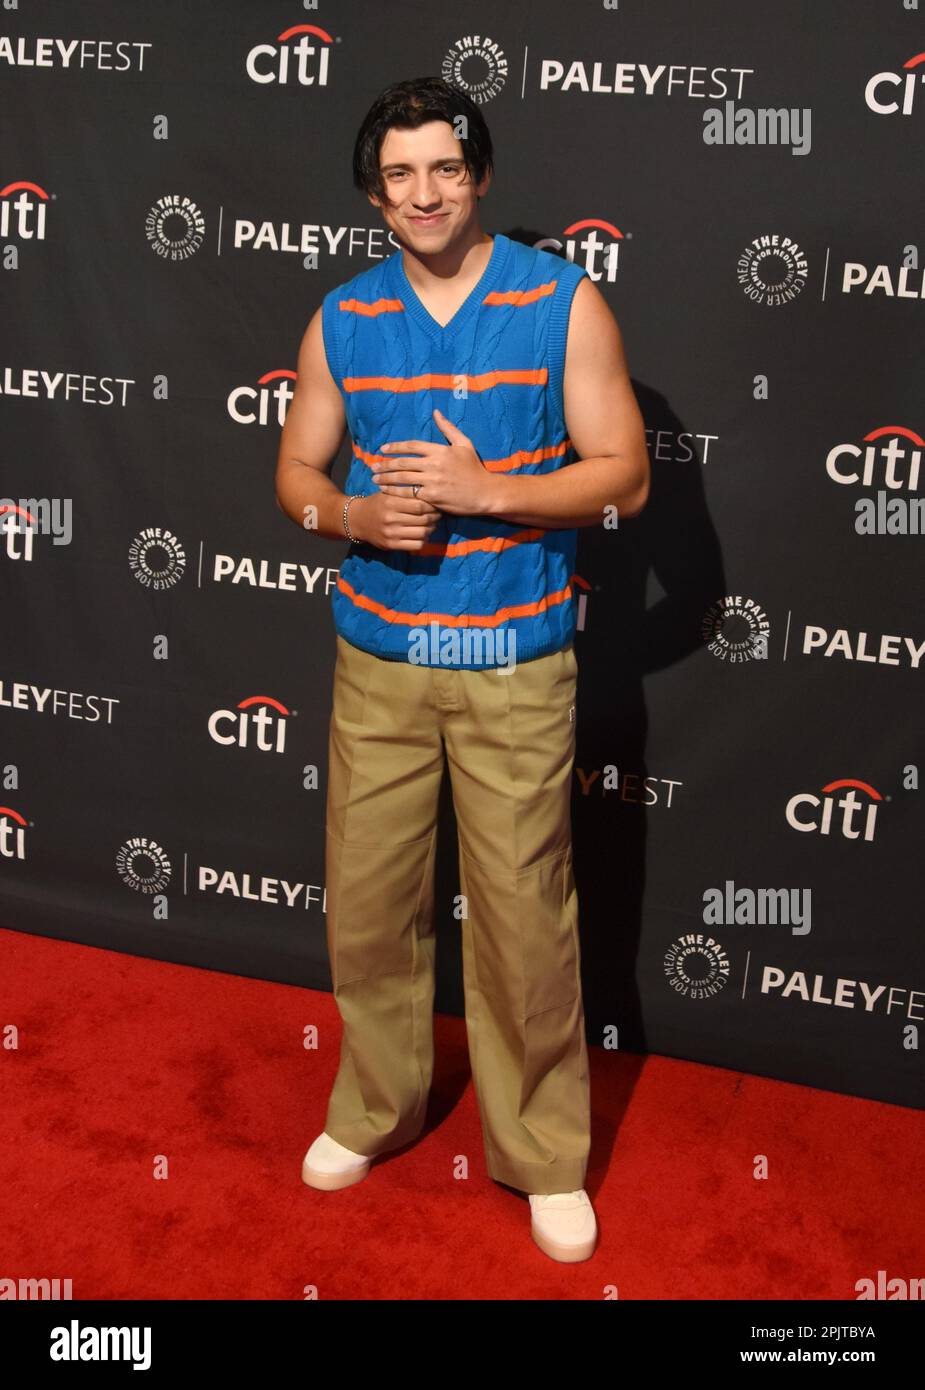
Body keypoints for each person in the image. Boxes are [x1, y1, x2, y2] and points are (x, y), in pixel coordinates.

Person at [275, 76, 649, 1264]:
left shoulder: (562, 305)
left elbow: (625, 478)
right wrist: (350, 518)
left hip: (513, 664)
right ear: (373, 194)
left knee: (525, 922)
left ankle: (543, 1151)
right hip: (376, 663)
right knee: (371, 907)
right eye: (399, 176)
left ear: (479, 174)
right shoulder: (342, 317)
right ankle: (376, 1109)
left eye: (445, 168)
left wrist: (491, 491)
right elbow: (294, 473)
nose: (424, 193)